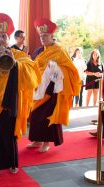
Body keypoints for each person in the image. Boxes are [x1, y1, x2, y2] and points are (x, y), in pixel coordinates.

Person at [0, 13, 40, 183]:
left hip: (11, 99)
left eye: (4, 36)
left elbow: (32, 70)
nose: (1, 39)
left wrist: (15, 63)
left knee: (10, 133)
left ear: (8, 37)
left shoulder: (17, 53)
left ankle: (12, 163)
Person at [27, 18, 81, 152]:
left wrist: (55, 69)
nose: (43, 38)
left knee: (47, 116)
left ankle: (46, 142)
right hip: (38, 88)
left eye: (45, 36)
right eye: (41, 36)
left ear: (52, 36)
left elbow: (69, 69)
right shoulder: (39, 51)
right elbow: (35, 67)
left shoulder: (60, 51)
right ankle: (37, 139)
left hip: (52, 90)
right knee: (35, 115)